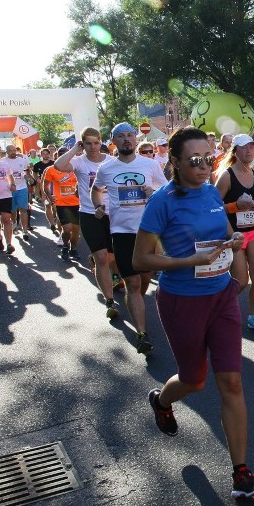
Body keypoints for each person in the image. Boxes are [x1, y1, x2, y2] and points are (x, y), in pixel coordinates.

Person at [131, 126, 254, 500]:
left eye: (208, 158)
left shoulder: (210, 192)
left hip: (221, 296)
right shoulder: (162, 201)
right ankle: (161, 401)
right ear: (174, 162)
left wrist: (236, 247)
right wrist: (191, 259)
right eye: (195, 160)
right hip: (181, 301)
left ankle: (241, 474)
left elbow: (225, 232)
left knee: (233, 383)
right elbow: (140, 258)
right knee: (194, 380)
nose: (205, 166)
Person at [92, 122, 168, 353]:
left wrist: (152, 193)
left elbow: (166, 191)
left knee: (144, 280)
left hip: (148, 231)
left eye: (130, 135)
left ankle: (136, 303)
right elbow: (96, 189)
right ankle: (142, 335)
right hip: (121, 231)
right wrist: (98, 205)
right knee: (133, 282)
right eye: (121, 136)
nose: (126, 139)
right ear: (113, 141)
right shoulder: (106, 168)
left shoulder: (149, 164)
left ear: (135, 139)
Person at [54, 127, 121, 318]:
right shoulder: (79, 162)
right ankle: (109, 301)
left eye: (96, 142)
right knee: (102, 258)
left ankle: (108, 271)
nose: (93, 147)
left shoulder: (111, 162)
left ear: (101, 143)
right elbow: (58, 165)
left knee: (112, 256)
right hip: (89, 214)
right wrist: (75, 149)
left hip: (113, 214)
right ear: (83, 143)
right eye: (88, 143)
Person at [215, 134, 254, 333]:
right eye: (244, 147)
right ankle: (219, 308)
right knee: (240, 280)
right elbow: (212, 207)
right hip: (234, 233)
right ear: (235, 151)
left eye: (252, 147)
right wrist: (235, 206)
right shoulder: (226, 176)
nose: (249, 150)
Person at [43, 148, 81, 260]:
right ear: (57, 157)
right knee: (67, 229)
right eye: (61, 155)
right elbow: (45, 185)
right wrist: (49, 196)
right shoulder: (51, 170)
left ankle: (73, 248)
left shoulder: (76, 168)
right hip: (62, 204)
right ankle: (65, 245)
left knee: (76, 230)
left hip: (78, 203)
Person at [2, 145, 33, 236]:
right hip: (9, 189)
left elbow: (27, 171)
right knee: (12, 211)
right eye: (10, 150)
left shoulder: (22, 160)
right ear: (7, 152)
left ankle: (25, 230)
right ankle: (14, 224)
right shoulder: (3, 161)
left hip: (22, 188)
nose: (13, 152)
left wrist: (28, 177)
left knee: (23, 209)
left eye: (14, 150)